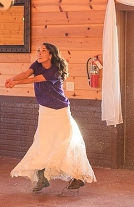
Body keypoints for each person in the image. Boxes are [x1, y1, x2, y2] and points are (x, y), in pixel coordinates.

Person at [7, 42, 96, 193]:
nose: (39, 53)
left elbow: (35, 79)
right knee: (43, 144)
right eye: (38, 51)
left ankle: (78, 177)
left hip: (60, 111)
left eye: (43, 51)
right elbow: (26, 74)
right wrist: (13, 79)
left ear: (51, 55)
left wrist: (16, 83)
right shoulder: (37, 64)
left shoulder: (55, 71)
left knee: (65, 144)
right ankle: (43, 177)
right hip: (45, 111)